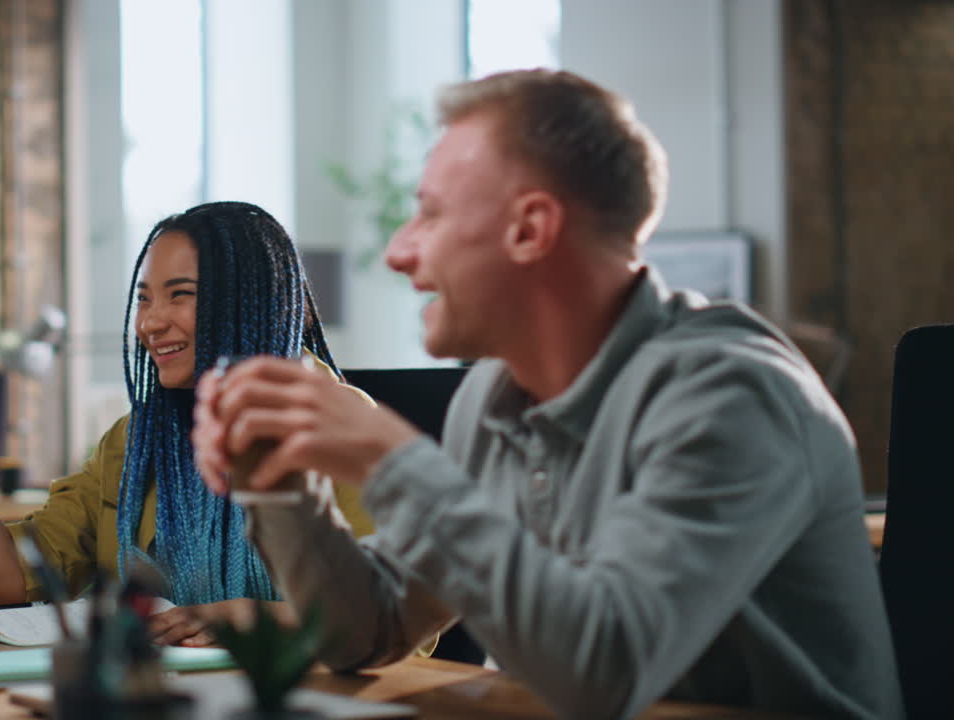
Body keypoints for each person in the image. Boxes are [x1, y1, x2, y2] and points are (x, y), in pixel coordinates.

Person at [193, 70, 902, 718]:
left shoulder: (734, 395)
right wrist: (282, 488)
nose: (400, 251)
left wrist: (393, 463)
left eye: (431, 215)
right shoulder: (494, 398)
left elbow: (604, 673)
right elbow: (369, 631)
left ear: (530, 229)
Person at [0, 201, 372, 646]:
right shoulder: (138, 441)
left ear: (248, 302)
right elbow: (11, 580)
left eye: (179, 295)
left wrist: (252, 617)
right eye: (144, 299)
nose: (151, 323)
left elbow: (393, 615)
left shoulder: (336, 426)